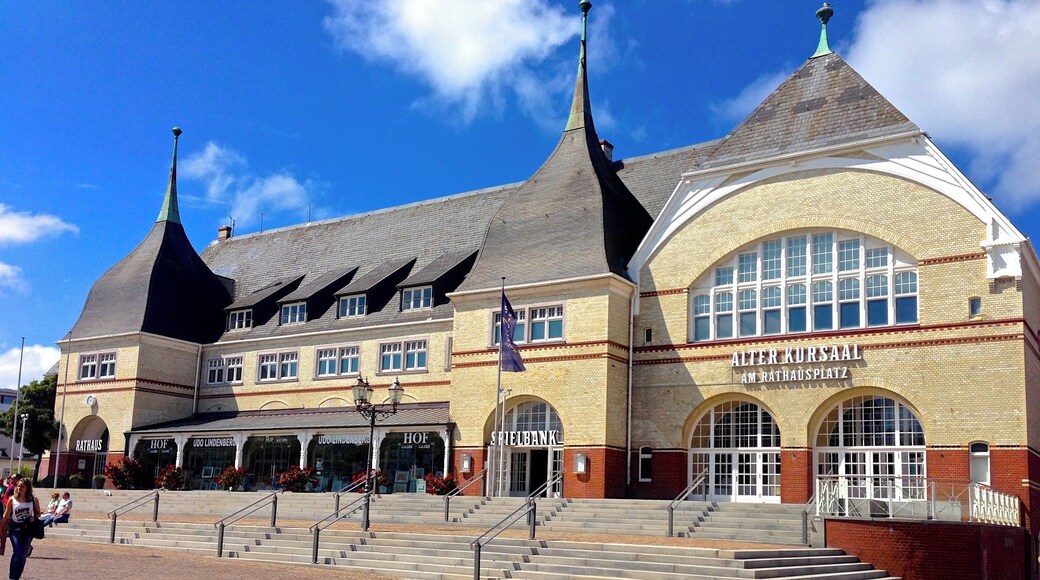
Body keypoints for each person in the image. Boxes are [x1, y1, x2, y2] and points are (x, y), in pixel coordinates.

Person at [0, 479, 41, 580]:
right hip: (15, 529)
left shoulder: (33, 499)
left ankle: (17, 576)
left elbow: (38, 514)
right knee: (17, 551)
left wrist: (33, 518)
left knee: (23, 555)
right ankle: (12, 577)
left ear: (27, 488)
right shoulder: (12, 499)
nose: (19, 488)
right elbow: (6, 515)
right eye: (18, 486)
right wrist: (1, 527)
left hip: (28, 530)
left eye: (22, 486)